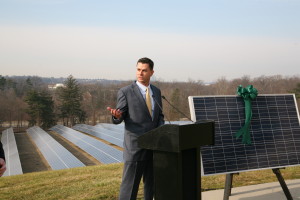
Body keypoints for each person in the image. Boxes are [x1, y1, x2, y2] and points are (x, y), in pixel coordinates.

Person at [107, 57, 164, 200]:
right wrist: (117, 116)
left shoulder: (156, 92)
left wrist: (161, 132)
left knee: (151, 187)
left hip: (153, 148)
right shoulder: (125, 92)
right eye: (138, 70)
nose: (140, 73)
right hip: (135, 148)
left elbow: (160, 116)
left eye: (144, 70)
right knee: (129, 188)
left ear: (151, 72)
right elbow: (119, 116)